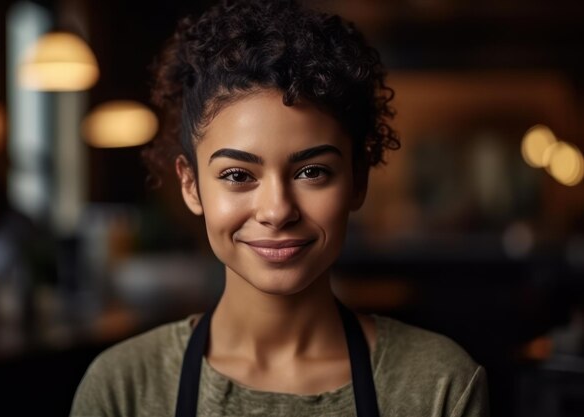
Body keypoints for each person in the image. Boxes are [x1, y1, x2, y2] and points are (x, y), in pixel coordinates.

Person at [71, 1, 489, 416]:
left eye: (312, 172)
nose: (276, 210)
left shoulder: (440, 385)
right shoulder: (121, 388)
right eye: (237, 176)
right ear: (191, 185)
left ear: (358, 180)